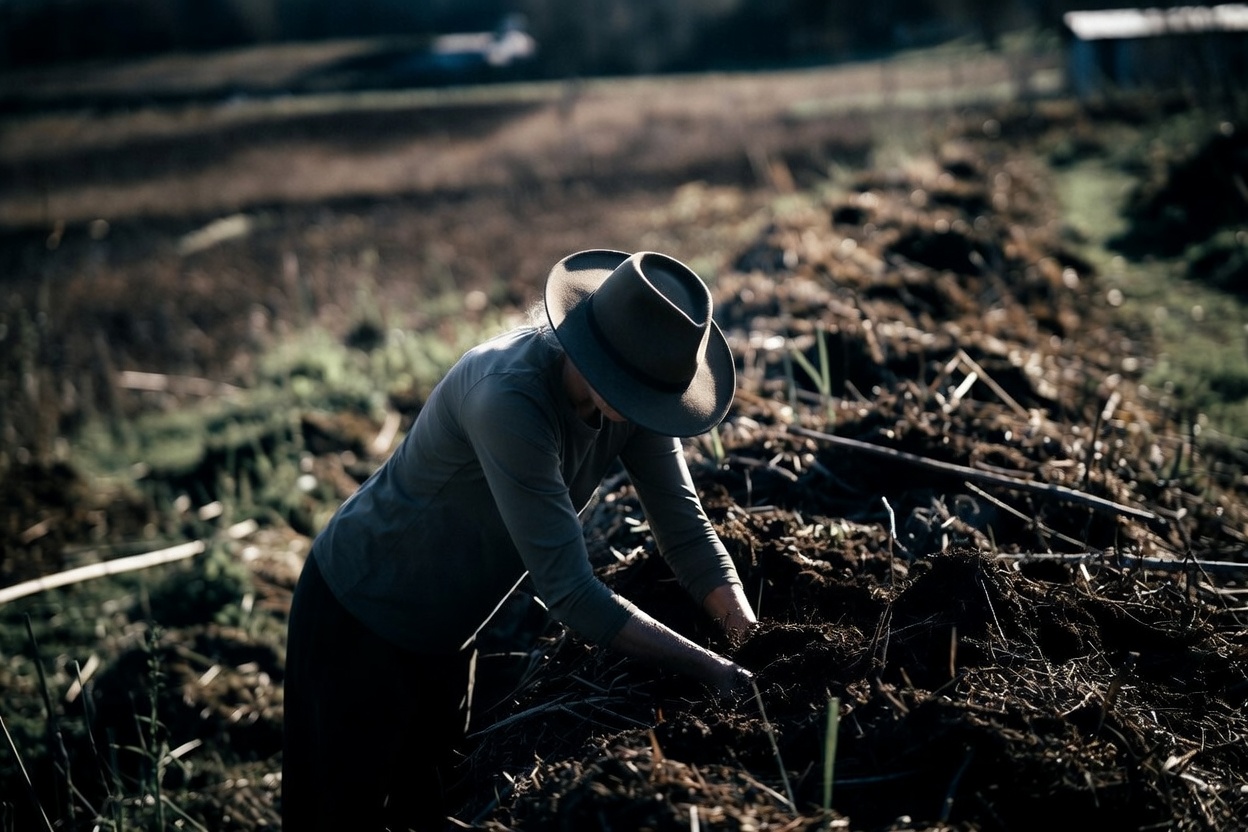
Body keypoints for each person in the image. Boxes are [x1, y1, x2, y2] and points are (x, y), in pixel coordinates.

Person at [282, 249, 758, 830]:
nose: (648, 413)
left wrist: (749, 638)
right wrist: (711, 669)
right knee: (339, 815)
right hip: (360, 609)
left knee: (432, 807)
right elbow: (571, 593)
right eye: (640, 397)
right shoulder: (509, 398)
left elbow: (685, 529)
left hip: (452, 628)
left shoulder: (634, 400)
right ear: (597, 354)